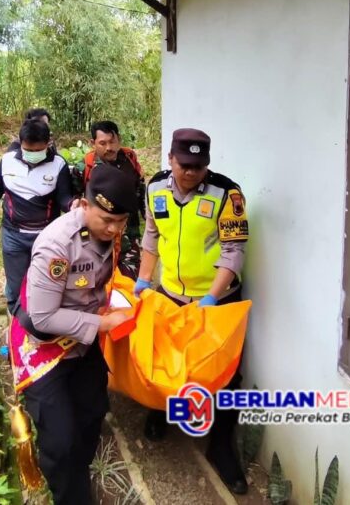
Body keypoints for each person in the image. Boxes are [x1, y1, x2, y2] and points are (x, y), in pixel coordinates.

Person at [9, 164, 137, 504]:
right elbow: (43, 316)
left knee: (93, 412)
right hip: (44, 346)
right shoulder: (57, 244)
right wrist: (102, 324)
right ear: (85, 204)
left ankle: (77, 476)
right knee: (61, 441)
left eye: (121, 221)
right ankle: (71, 494)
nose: (114, 229)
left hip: (82, 341)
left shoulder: (112, 233)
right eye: (106, 220)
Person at [134, 128, 249, 494]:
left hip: (217, 299)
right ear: (170, 159)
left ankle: (221, 447)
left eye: (198, 167)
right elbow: (152, 235)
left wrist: (211, 299)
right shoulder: (155, 188)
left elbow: (233, 251)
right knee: (164, 361)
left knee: (225, 374)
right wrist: (144, 279)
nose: (190, 173)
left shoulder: (227, 194)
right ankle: (160, 410)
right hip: (170, 294)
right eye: (184, 165)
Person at [0, 119, 72, 312]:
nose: (32, 154)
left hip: (47, 237)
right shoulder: (8, 161)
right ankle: (18, 324)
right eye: (28, 150)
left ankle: (44, 321)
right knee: (16, 288)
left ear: (48, 143)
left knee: (49, 285)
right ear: (20, 143)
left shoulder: (58, 165)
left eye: (37, 150)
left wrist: (74, 205)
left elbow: (64, 197)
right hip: (13, 236)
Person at [71, 121, 146, 278]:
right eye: (103, 143)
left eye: (112, 142)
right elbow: (74, 197)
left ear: (119, 139)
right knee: (96, 279)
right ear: (92, 143)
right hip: (96, 235)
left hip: (128, 234)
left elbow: (140, 192)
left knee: (129, 280)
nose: (109, 148)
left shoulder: (130, 160)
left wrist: (149, 220)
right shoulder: (85, 166)